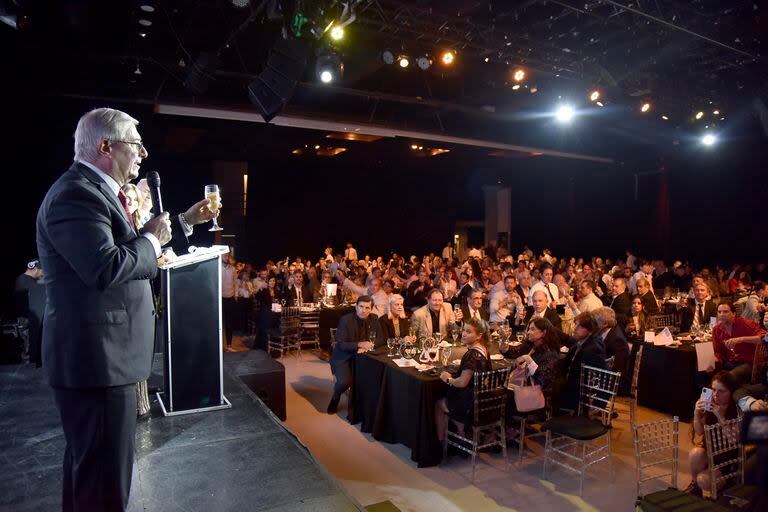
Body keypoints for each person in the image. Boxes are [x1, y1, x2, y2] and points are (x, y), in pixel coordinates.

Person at [35, 107, 216, 511]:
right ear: (105, 146)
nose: (143, 152)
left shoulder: (96, 192)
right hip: (98, 361)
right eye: (135, 144)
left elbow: (129, 249)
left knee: (91, 474)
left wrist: (182, 222)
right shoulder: (75, 195)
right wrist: (150, 240)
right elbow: (106, 265)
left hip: (107, 358)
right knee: (103, 483)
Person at [435, 317, 492, 441]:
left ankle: (441, 444)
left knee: (439, 403)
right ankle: (462, 432)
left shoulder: (473, 355)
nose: (464, 334)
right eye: (464, 330)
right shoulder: (484, 349)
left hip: (469, 404)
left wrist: (448, 379)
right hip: (482, 400)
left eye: (468, 332)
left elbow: (462, 383)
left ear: (479, 336)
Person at [685, 371, 741, 497]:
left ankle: (725, 487)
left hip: (728, 459)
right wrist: (696, 413)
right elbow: (699, 431)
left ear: (731, 392)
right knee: (695, 454)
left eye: (722, 391)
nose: (716, 395)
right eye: (714, 389)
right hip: (711, 452)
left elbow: (733, 440)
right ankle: (695, 487)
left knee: (703, 480)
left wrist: (720, 416)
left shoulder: (737, 410)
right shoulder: (710, 404)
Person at [327, 296, 378, 414]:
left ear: (371, 309)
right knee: (344, 382)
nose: (363, 310)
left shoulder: (374, 319)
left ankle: (361, 407)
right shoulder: (346, 320)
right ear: (356, 307)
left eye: (367, 308)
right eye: (361, 306)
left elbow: (379, 338)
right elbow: (341, 345)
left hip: (363, 356)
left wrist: (368, 346)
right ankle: (335, 397)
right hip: (343, 357)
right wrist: (360, 344)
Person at [500, 317, 561, 415]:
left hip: (536, 393)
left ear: (544, 333)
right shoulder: (530, 345)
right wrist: (504, 340)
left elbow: (543, 378)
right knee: (501, 387)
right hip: (524, 387)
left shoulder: (550, 352)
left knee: (503, 391)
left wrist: (528, 359)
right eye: (528, 328)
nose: (528, 332)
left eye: (532, 329)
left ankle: (509, 424)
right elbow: (512, 353)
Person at [555, 312, 607, 413]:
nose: (575, 329)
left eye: (580, 326)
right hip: (575, 386)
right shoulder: (584, 341)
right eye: (576, 325)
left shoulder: (592, 349)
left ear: (590, 330)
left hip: (579, 394)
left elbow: (584, 379)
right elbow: (569, 342)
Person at [712, 301, 765, 370]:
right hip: (728, 363)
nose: (722, 315)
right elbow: (718, 352)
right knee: (703, 371)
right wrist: (712, 361)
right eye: (719, 312)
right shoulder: (716, 329)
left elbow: (763, 339)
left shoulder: (745, 323)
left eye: (725, 312)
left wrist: (741, 339)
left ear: (733, 314)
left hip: (748, 362)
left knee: (731, 376)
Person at [14, 259, 46, 366]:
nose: (42, 274)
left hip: (32, 320)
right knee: (28, 350)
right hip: (26, 321)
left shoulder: (27, 280)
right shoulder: (23, 280)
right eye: (42, 271)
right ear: (35, 269)